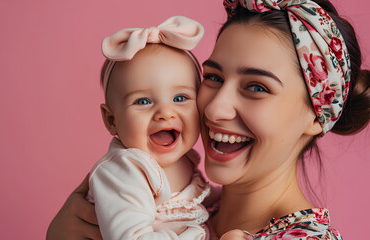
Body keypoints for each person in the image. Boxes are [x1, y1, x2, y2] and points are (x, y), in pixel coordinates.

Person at [47, 0, 370, 239]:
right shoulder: (174, 203)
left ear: (316, 116)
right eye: (213, 77)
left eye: (256, 87)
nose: (215, 109)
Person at [81, 16, 213, 240]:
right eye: (143, 102)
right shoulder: (123, 171)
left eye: (180, 98)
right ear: (112, 120)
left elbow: (197, 206)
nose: (165, 113)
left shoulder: (185, 159)